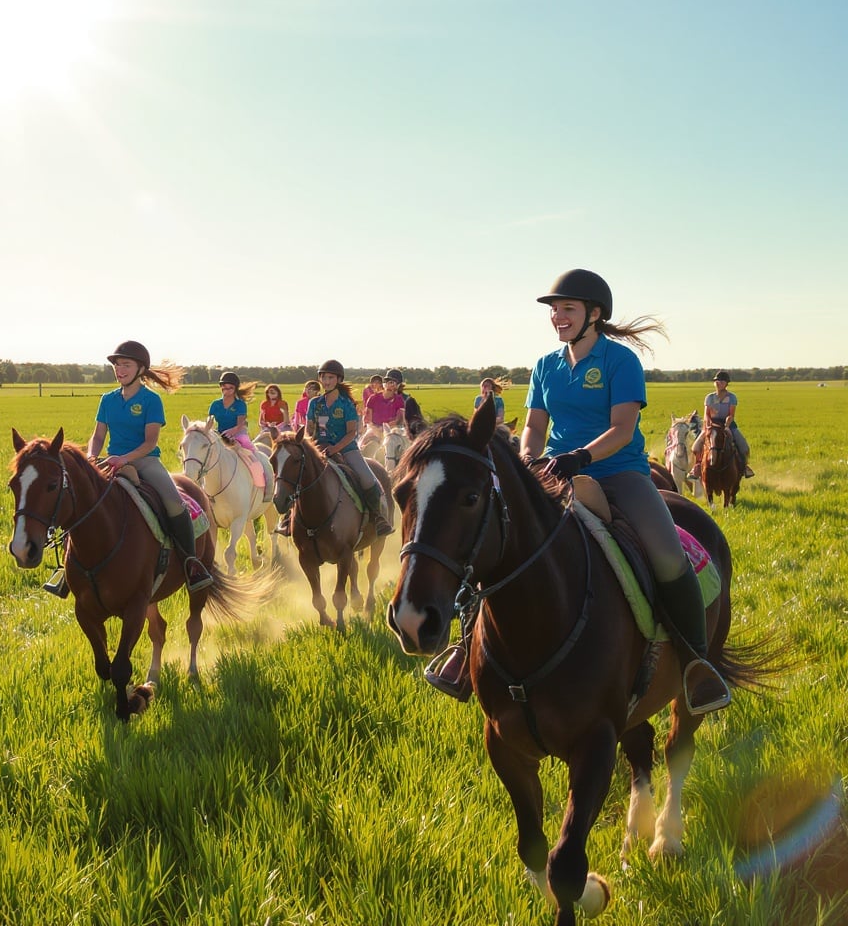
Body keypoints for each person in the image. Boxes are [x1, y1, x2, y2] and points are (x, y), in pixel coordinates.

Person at [433, 271, 731, 716]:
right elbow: (534, 425)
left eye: (567, 308)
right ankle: (465, 653)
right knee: (498, 544)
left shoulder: (619, 361)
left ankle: (696, 664)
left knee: (668, 555)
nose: (557, 317)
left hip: (619, 475)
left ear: (594, 314)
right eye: (554, 310)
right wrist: (528, 459)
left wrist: (579, 458)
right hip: (553, 474)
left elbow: (622, 428)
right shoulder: (545, 366)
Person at [84, 340, 213, 594]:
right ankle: (70, 570)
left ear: (140, 369)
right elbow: (98, 436)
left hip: (144, 461)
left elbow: (150, 441)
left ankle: (191, 563)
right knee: (81, 499)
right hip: (111, 460)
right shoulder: (107, 400)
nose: (120, 370)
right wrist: (91, 457)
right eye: (117, 365)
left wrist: (124, 459)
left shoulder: (151, 400)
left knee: (175, 504)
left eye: (126, 365)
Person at [307, 360, 394, 536]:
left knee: (367, 478)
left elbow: (351, 432)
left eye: (330, 377)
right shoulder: (314, 403)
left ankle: (378, 517)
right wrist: (310, 447)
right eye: (323, 377)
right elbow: (309, 430)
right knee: (298, 474)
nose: (326, 381)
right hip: (319, 447)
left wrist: (335, 449)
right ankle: (287, 519)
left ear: (338, 379)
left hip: (346, 448)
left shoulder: (346, 404)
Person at [687, 371, 754, 478]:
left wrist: (727, 425)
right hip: (711, 425)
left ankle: (744, 467)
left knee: (743, 447)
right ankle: (697, 467)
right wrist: (708, 425)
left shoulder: (732, 397)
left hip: (728, 424)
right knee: (696, 447)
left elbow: (731, 415)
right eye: (717, 381)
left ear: (726, 383)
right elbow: (706, 415)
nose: (719, 383)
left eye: (722, 381)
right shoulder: (709, 397)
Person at [208, 371, 266, 487]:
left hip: (237, 432)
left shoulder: (240, 404)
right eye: (224, 387)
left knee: (248, 448)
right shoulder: (215, 404)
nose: (226, 390)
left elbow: (240, 424)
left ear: (235, 389)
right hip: (220, 433)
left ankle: (259, 474)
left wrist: (231, 432)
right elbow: (210, 421)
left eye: (230, 388)